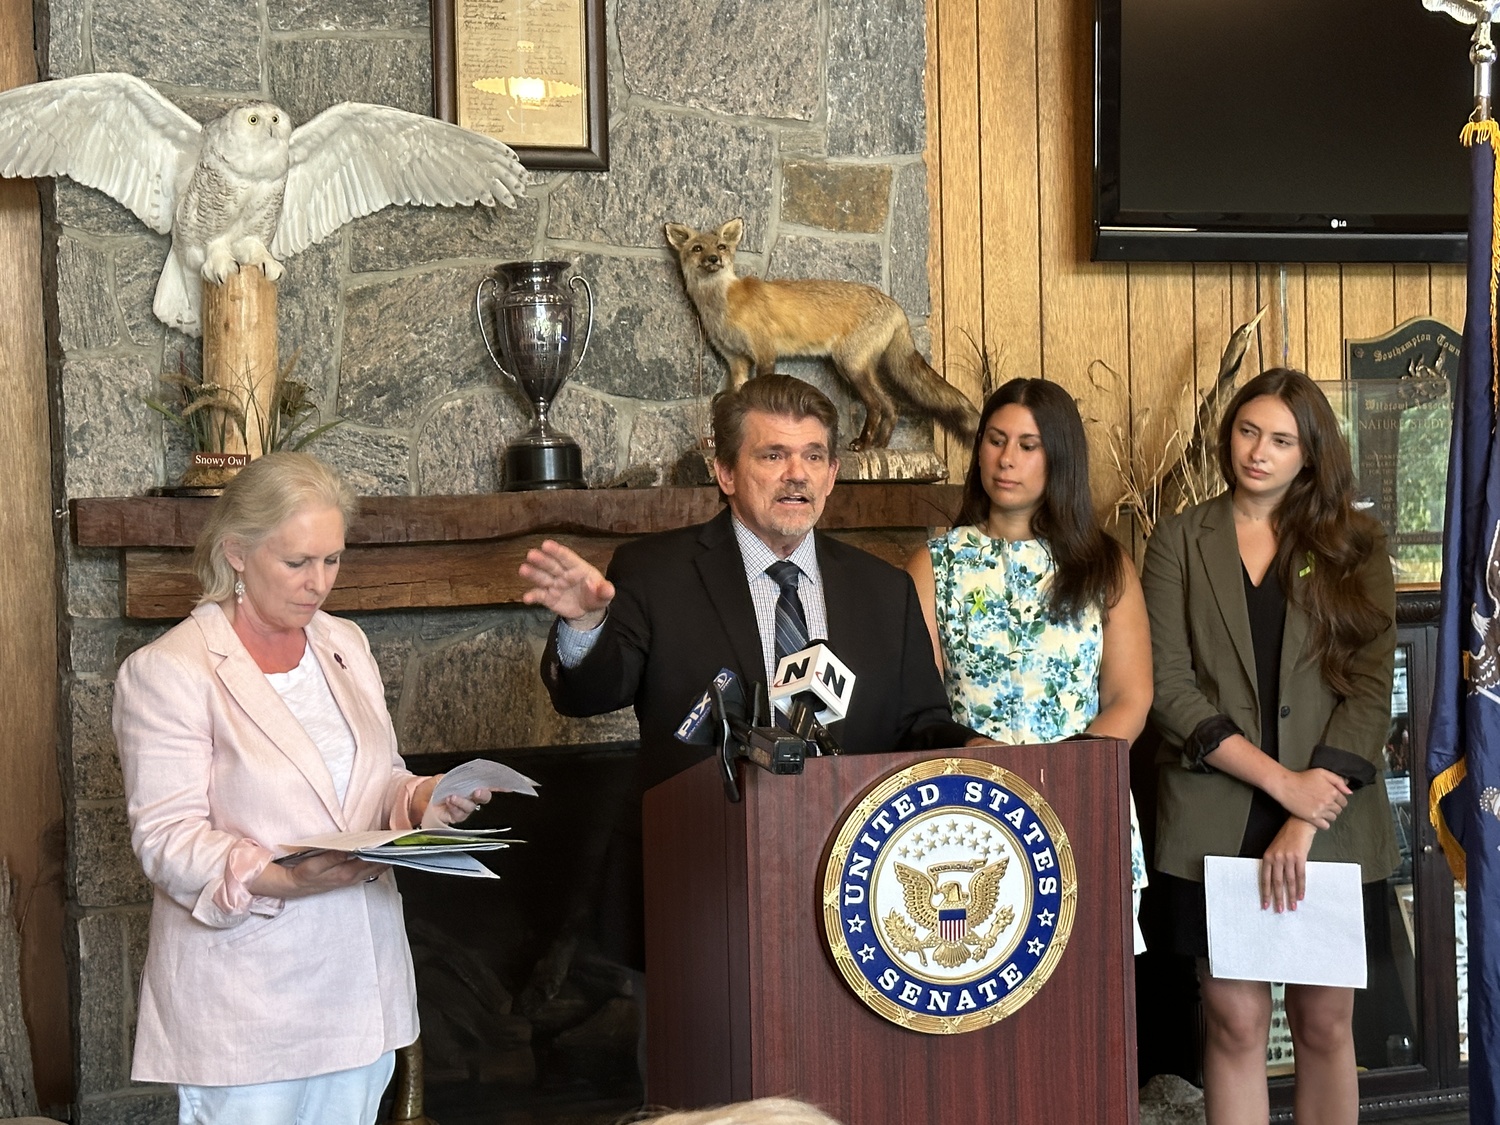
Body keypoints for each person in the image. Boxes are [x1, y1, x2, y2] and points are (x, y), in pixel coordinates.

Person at [112, 452, 493, 1125]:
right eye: (298, 563)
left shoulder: (344, 642)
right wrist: (282, 878)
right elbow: (166, 838)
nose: (319, 583)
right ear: (237, 552)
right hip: (249, 1007)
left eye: (333, 560)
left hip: (360, 995)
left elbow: (377, 779)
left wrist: (423, 797)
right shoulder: (168, 671)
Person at [1142, 368, 1399, 1125]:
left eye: (1282, 439)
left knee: (1325, 1026)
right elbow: (1168, 685)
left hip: (1331, 813)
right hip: (1214, 812)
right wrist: (1279, 785)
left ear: (1311, 454)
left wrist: (1302, 808)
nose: (1258, 451)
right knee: (1234, 1023)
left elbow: (1369, 687)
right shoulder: (1180, 539)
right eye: (1248, 431)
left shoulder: (1357, 544)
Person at [522, 372, 982, 792]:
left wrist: (975, 748)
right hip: (709, 852)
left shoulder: (884, 590)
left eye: (813, 456)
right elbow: (586, 698)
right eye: (773, 455)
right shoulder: (655, 572)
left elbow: (922, 725)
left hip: (851, 860)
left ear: (831, 476)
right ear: (725, 472)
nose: (796, 474)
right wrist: (585, 623)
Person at [903, 377, 1153, 952]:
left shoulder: (1103, 564)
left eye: (1027, 444)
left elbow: (1130, 696)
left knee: (1092, 1000)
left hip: (1084, 796)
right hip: (968, 809)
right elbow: (920, 700)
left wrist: (1067, 774)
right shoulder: (935, 562)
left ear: (1058, 458)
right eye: (994, 440)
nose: (1006, 459)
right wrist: (980, 760)